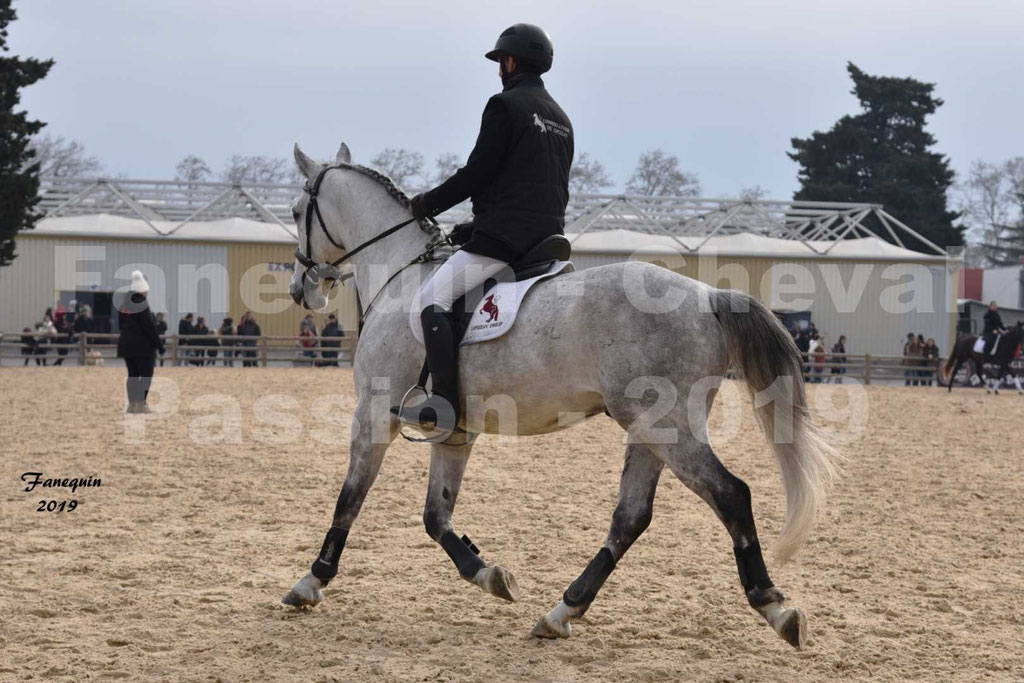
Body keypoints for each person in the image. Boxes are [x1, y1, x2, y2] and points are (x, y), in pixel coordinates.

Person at [392, 23, 572, 435]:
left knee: (431, 300)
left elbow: (479, 173)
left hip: (506, 241)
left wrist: (427, 204)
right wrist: (476, 224)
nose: (498, 71)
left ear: (510, 61)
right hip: (547, 239)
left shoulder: (505, 106)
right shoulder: (561, 118)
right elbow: (532, 184)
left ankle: (444, 406)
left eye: (500, 62)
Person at [116, 271, 164, 413]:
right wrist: (159, 345)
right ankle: (141, 403)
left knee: (132, 375)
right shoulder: (142, 304)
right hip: (142, 347)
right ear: (143, 291)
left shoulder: (124, 305)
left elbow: (121, 325)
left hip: (125, 345)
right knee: (146, 375)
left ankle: (132, 404)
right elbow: (149, 326)